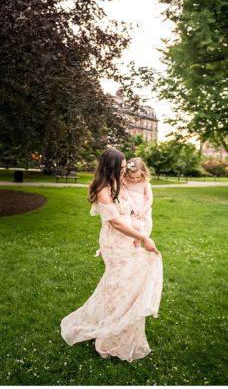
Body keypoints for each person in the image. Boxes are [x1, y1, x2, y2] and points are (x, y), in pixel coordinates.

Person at [61, 147, 163, 362]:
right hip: (115, 244)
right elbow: (115, 222)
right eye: (122, 167)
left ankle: (122, 330)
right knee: (120, 286)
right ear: (112, 167)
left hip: (129, 240)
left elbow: (131, 209)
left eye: (126, 167)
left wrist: (141, 230)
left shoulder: (119, 183)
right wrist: (144, 238)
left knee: (127, 286)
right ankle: (110, 335)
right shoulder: (103, 189)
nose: (124, 171)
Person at [122, 157, 154, 248]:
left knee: (140, 230)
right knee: (132, 229)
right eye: (132, 177)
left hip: (142, 210)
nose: (135, 179)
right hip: (129, 209)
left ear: (143, 173)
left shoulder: (145, 183)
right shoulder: (124, 181)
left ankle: (138, 249)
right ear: (126, 173)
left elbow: (149, 198)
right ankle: (133, 248)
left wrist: (144, 210)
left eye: (138, 177)